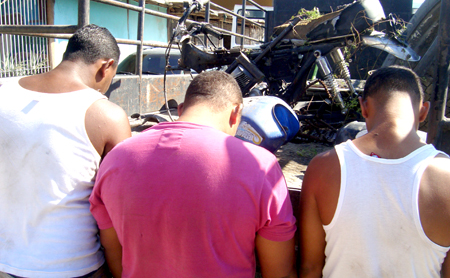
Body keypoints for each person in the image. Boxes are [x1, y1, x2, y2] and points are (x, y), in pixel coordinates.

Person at [89, 71, 297, 278]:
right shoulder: (260, 166)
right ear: (235, 113)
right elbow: (280, 272)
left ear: (180, 109)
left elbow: (113, 252)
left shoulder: (115, 159)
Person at [0, 25, 131, 277]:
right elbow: (117, 210)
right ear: (106, 67)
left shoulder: (4, 91)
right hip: (72, 265)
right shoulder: (107, 116)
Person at [298, 65, 450, 277]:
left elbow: (309, 268)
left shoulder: (323, 167)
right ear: (423, 111)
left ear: (364, 107)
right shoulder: (446, 176)